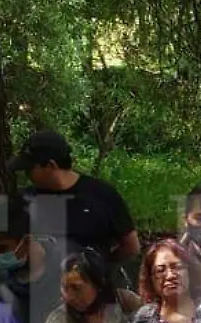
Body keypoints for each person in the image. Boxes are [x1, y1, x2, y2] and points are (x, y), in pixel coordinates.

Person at [9, 129, 141, 308]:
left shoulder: (102, 196)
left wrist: (97, 263)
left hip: (95, 302)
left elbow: (131, 245)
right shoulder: (26, 201)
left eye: (30, 169)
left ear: (50, 165)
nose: (27, 176)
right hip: (41, 301)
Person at [127, 238, 201, 323]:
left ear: (190, 271)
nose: (170, 276)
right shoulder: (144, 319)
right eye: (160, 271)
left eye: (177, 267)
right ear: (151, 280)